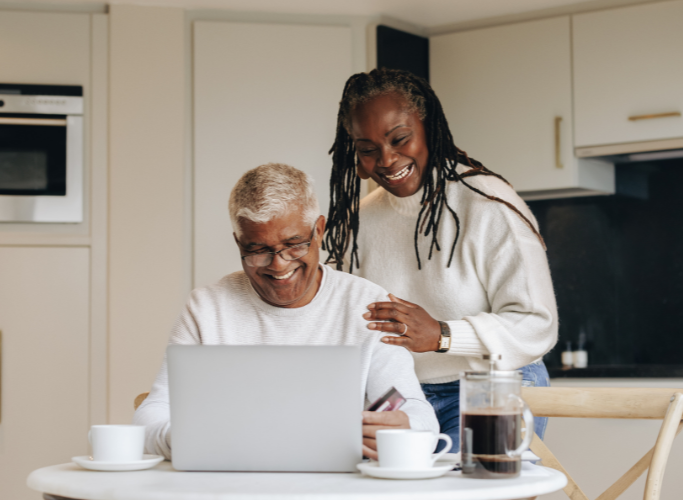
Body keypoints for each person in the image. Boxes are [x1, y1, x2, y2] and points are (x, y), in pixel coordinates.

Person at [134, 163, 438, 460]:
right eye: (257, 250)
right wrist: (185, 437)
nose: (278, 265)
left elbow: (417, 412)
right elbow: (151, 413)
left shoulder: (368, 305)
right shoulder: (206, 308)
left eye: (294, 244)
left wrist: (403, 427)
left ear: (318, 231)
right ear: (238, 242)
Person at [324, 68, 558, 451]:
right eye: (368, 149)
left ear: (428, 126)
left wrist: (442, 335)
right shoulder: (357, 222)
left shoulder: (487, 203)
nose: (386, 159)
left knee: (481, 491)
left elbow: (537, 326)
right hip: (401, 395)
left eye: (400, 139)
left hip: (490, 383)